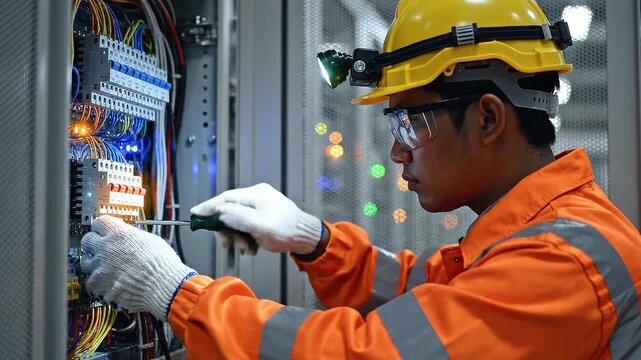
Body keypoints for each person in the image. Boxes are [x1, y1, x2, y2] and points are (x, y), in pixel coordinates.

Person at [80, 0, 641, 358]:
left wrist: (177, 293)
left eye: (411, 121)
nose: (396, 150)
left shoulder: (562, 263)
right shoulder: (542, 233)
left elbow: (364, 354)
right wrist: (315, 241)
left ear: (489, 118)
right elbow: (419, 291)